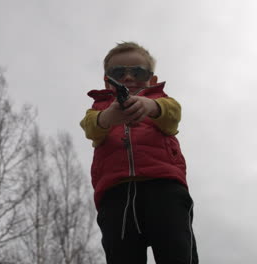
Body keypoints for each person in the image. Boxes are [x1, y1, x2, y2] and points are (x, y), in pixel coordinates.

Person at [80, 42, 198, 263]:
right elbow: (89, 127)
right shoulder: (99, 107)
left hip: (164, 188)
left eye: (138, 72)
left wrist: (152, 107)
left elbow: (174, 115)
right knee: (122, 254)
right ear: (107, 80)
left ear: (151, 80)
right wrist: (107, 117)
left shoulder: (161, 101)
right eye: (118, 72)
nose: (128, 77)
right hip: (115, 193)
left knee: (177, 252)